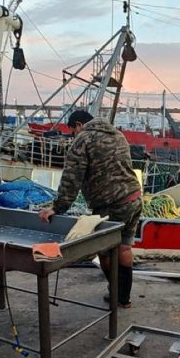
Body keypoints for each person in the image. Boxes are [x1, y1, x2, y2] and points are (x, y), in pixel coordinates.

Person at [38, 110, 142, 307]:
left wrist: (57, 208)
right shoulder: (118, 135)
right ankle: (124, 297)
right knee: (125, 247)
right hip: (134, 198)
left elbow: (71, 178)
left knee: (104, 251)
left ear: (78, 125)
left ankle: (116, 294)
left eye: (72, 131)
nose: (73, 136)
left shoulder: (83, 139)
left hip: (110, 204)